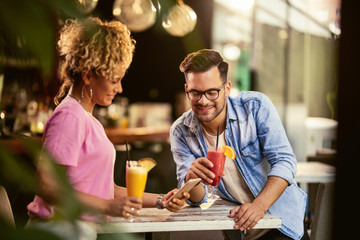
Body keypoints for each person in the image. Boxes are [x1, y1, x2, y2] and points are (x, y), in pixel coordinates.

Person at [26, 17, 189, 240]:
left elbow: (105, 189)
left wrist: (162, 200)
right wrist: (106, 206)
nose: (119, 88)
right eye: (114, 80)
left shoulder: (88, 119)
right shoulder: (70, 116)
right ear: (88, 75)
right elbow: (46, 185)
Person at [170, 49, 308, 240]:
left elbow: (285, 162)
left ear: (227, 88)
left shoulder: (255, 107)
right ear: (187, 90)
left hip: (280, 225)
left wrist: (259, 206)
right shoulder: (181, 131)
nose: (203, 101)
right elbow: (198, 199)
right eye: (195, 93)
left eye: (211, 92)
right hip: (236, 229)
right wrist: (191, 180)